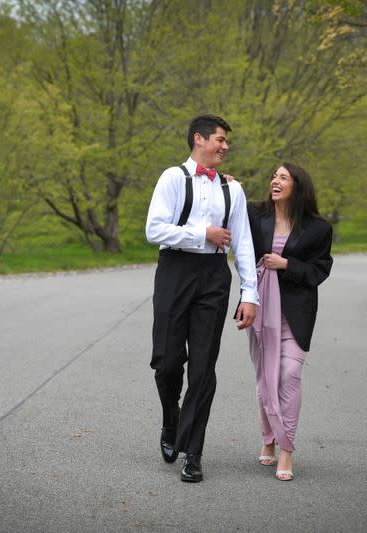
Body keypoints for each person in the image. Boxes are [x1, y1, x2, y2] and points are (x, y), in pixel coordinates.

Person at [145, 114, 258, 483]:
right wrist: (202, 233)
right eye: (220, 140)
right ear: (199, 139)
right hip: (175, 272)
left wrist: (249, 293)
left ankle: (193, 453)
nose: (225, 146)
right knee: (166, 360)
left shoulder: (233, 190)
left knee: (204, 367)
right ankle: (170, 420)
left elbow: (242, 242)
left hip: (213, 277)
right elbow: (154, 228)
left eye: (226, 141)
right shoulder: (172, 178)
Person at [244, 162, 333, 481]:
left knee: (289, 374)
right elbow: (237, 236)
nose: (275, 181)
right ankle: (267, 440)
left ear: (298, 186)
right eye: (274, 176)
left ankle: (286, 449)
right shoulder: (257, 216)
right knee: (266, 378)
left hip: (296, 312)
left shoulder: (319, 228)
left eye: (283, 177)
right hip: (261, 309)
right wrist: (224, 183)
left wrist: (286, 264)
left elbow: (319, 271)